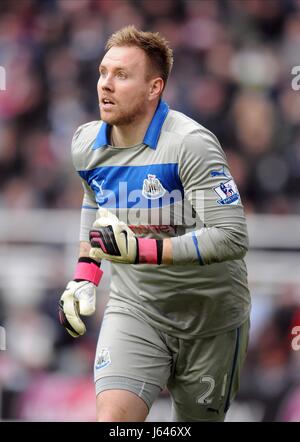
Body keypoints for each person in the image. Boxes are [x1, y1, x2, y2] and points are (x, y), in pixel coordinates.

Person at [58, 25, 251, 422]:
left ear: (154, 88)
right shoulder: (85, 143)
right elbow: (94, 197)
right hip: (136, 309)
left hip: (210, 318)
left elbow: (232, 237)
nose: (105, 85)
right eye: (102, 72)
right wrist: (84, 274)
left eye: (122, 75)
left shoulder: (189, 144)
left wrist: (143, 251)